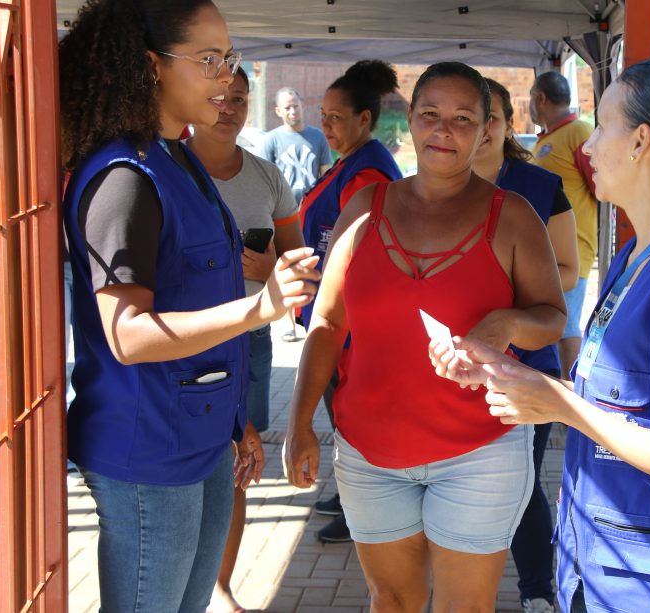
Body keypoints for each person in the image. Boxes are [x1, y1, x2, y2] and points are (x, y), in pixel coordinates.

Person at [431, 56, 650, 613]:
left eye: (603, 124)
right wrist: (507, 372)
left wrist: (563, 406)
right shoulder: (639, 254)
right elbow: (610, 399)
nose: (586, 147)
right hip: (612, 570)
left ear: (641, 140)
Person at [58, 2, 320, 611]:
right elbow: (127, 334)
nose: (225, 77)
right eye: (208, 60)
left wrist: (237, 420)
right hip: (149, 449)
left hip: (200, 439)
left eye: (228, 59)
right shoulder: (125, 177)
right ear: (151, 67)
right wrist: (259, 311)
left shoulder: (175, 159)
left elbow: (196, 298)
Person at [284, 61, 566, 611]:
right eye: (431, 114)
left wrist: (505, 323)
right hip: (370, 453)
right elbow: (327, 322)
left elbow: (552, 315)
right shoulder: (365, 209)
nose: (444, 129)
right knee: (389, 601)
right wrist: (298, 425)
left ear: (487, 129)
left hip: (479, 451)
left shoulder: (513, 216)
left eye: (463, 118)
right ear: (409, 120)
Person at [186, 67, 304, 613]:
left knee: (237, 463)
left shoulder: (266, 176)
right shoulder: (167, 169)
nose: (228, 107)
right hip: (180, 343)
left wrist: (269, 262)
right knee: (187, 462)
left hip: (250, 341)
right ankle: (185, 582)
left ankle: (220, 583)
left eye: (238, 98)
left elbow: (300, 264)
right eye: (217, 97)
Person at [472, 77, 578, 613]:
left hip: (522, 361)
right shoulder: (432, 183)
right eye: (472, 115)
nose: (481, 127)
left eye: (491, 116)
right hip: (452, 359)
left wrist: (506, 306)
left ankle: (537, 587)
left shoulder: (540, 186)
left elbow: (569, 272)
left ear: (508, 123)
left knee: (520, 482)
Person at [297, 59, 404, 544]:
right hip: (336, 318)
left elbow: (362, 257)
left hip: (350, 326)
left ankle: (357, 503)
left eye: (337, 117)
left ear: (365, 119)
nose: (326, 126)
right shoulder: (352, 164)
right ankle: (347, 496)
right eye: (323, 115)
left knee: (348, 418)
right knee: (340, 414)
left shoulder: (368, 176)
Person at [529, 72, 599, 380]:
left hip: (573, 249)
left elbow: (600, 187)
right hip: (546, 251)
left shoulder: (579, 131)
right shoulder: (550, 137)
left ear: (540, 98)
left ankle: (572, 404)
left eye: (531, 97)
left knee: (566, 326)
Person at [260, 87, 333, 342]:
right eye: (287, 107)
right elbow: (264, 181)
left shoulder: (317, 137)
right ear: (278, 111)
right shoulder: (272, 140)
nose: (293, 111)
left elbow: (326, 175)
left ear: (303, 105)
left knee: (317, 266)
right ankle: (290, 322)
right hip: (284, 218)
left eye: (296, 105)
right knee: (289, 267)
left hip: (313, 216)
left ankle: (317, 316)